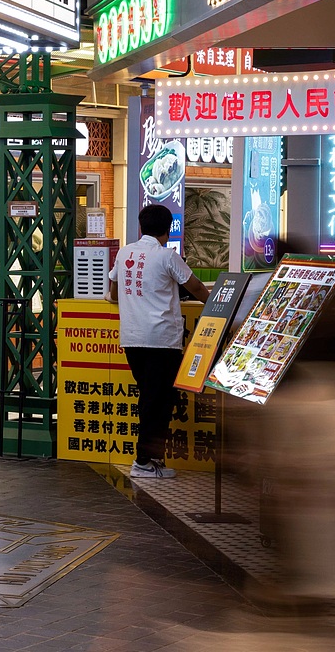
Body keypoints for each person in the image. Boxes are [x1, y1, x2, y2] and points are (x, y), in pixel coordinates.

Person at [108, 204, 209, 479]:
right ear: (168, 229)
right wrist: (219, 306)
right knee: (158, 401)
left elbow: (113, 293)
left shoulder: (125, 253)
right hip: (162, 341)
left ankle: (151, 459)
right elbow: (197, 288)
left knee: (150, 398)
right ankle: (144, 461)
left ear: (141, 227)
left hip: (132, 340)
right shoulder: (167, 256)